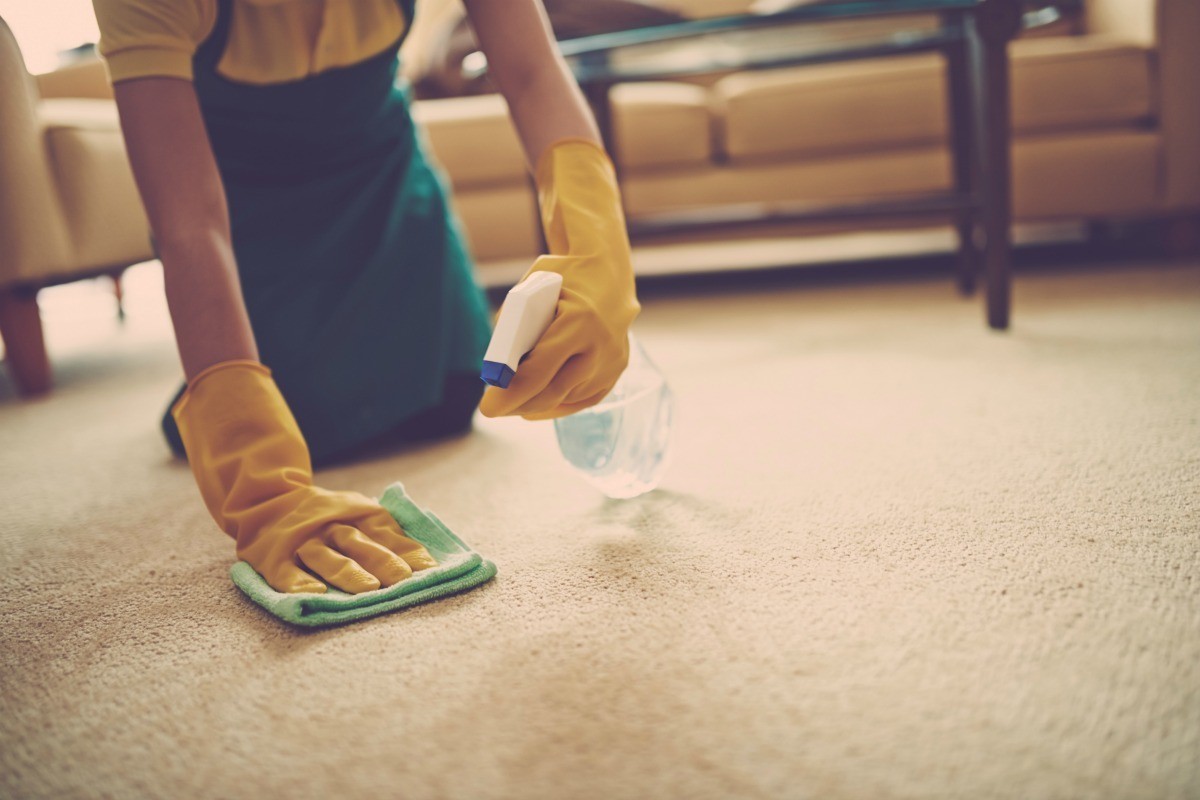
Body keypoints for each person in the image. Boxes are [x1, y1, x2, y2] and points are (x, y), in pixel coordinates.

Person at [93, 0, 640, 595]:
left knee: (450, 396)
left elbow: (533, 72)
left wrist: (595, 243)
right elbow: (189, 226)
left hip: (382, 179)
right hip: (245, 208)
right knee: (303, 416)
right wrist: (261, 484)